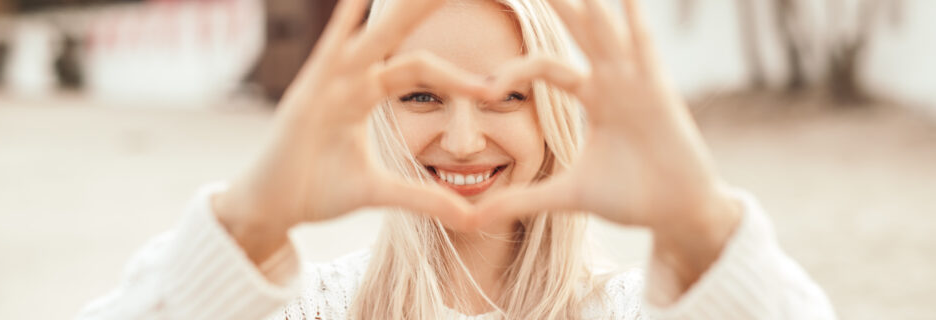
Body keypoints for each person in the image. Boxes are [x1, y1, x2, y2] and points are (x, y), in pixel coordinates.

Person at [77, 0, 836, 319]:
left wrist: (703, 225)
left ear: (555, 111)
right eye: (421, 96)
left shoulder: (634, 313)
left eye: (507, 97)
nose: (464, 141)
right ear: (377, 108)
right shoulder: (314, 311)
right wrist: (246, 222)